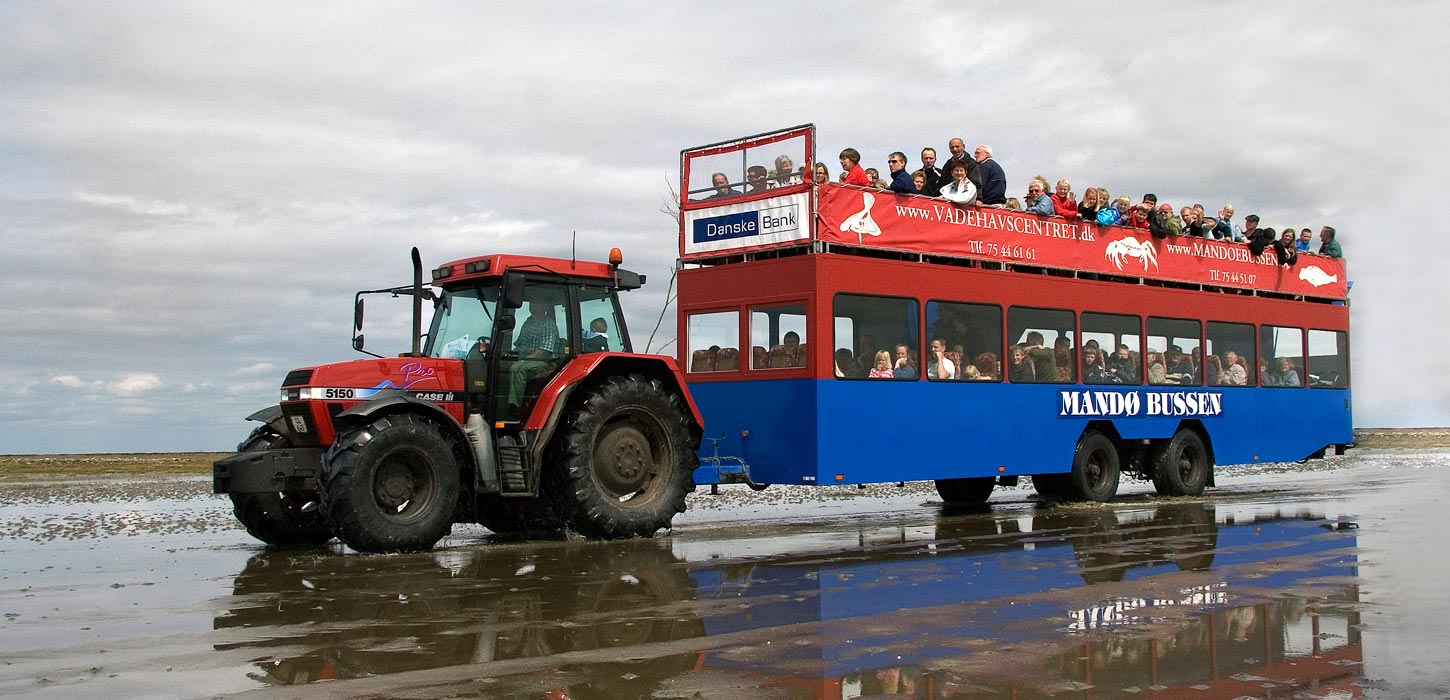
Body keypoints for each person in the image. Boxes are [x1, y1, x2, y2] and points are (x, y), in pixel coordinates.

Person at [509, 300, 562, 406]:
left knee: (518, 369)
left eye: (537, 303)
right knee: (499, 363)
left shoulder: (548, 324)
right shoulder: (528, 322)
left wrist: (523, 360)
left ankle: (515, 407)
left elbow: (543, 352)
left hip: (544, 361)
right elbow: (519, 345)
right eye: (532, 303)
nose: (533, 306)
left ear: (544, 306)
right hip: (528, 359)